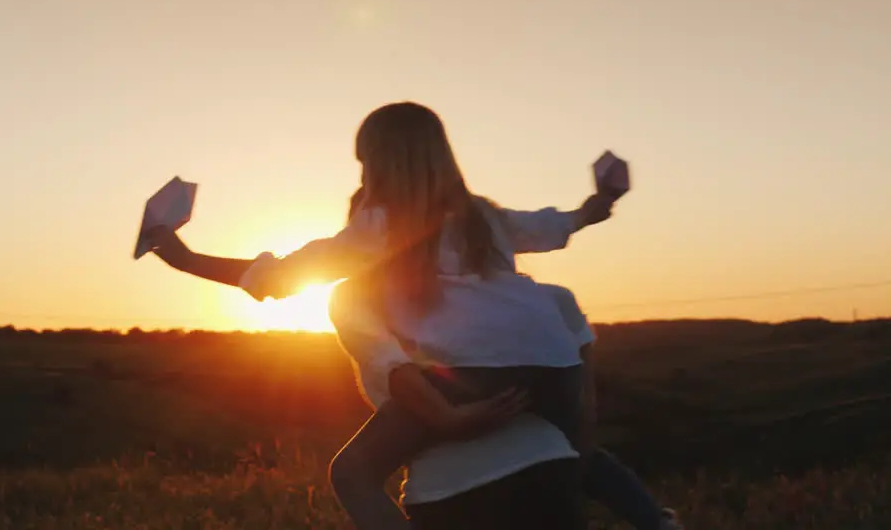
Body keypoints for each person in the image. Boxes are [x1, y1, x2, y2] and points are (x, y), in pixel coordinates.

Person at [144, 101, 679, 529]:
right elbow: (554, 224)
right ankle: (655, 521)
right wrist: (599, 203)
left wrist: (184, 258)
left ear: (377, 163)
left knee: (351, 473)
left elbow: (288, 275)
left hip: (473, 372)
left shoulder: (381, 224)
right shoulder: (484, 216)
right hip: (553, 364)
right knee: (583, 451)